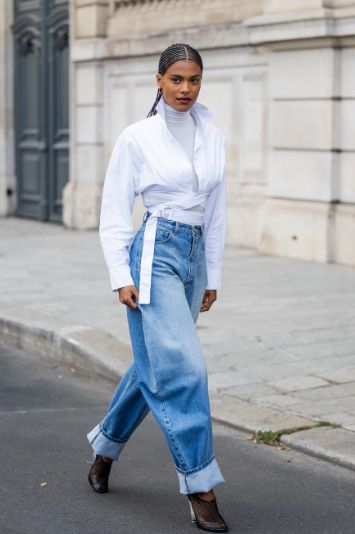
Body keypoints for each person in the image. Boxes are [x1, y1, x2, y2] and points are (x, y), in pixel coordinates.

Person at [87, 43, 228, 533]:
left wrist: (213, 273)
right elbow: (113, 211)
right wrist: (119, 275)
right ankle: (200, 485)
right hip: (154, 254)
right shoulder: (137, 137)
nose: (185, 89)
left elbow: (216, 211)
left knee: (152, 364)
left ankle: (105, 448)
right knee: (185, 368)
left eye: (193, 80)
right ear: (159, 80)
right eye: (176, 80)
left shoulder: (211, 134)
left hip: (192, 258)